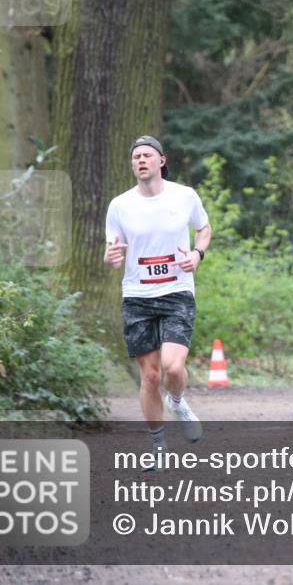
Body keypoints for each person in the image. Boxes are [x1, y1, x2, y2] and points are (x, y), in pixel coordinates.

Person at [104, 136, 212, 465]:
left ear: (161, 161)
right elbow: (113, 252)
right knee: (150, 376)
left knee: (172, 367)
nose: (141, 160)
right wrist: (111, 257)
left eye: (147, 155)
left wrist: (197, 254)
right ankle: (159, 447)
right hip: (138, 297)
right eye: (136, 156)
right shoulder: (120, 205)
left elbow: (204, 228)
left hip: (177, 291)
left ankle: (177, 401)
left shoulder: (184, 196)